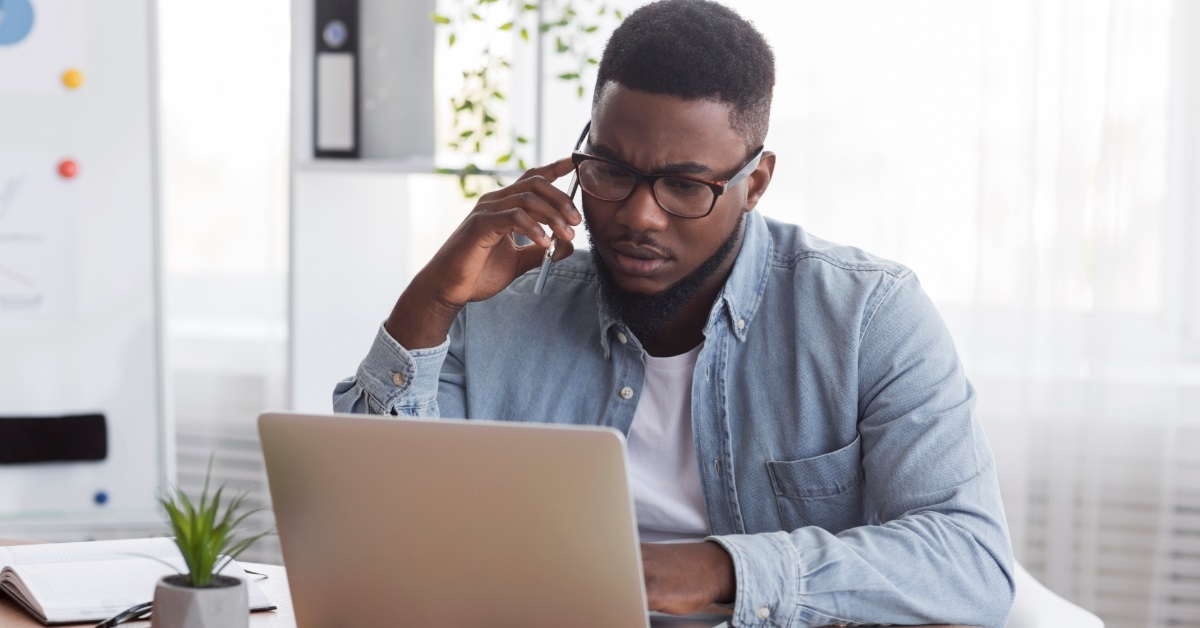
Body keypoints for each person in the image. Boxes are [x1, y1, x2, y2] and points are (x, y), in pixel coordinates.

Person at [335, 0, 1014, 625]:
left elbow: (969, 559)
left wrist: (720, 569)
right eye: (609, 170)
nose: (637, 215)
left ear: (756, 182)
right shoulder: (504, 302)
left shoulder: (866, 316)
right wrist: (431, 300)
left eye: (686, 185)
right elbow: (370, 527)